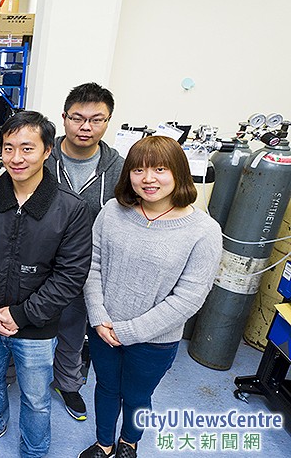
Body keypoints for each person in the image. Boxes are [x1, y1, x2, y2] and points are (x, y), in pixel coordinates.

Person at [0, 111, 93, 458]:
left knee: (35, 397)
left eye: (27, 148)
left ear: (48, 151)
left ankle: (34, 449)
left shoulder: (71, 208)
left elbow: (70, 276)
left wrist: (20, 315)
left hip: (37, 326)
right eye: (8, 148)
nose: (16, 158)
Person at [79, 136, 222, 458]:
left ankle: (129, 443)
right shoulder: (112, 212)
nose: (148, 178)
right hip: (104, 329)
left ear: (179, 173)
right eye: (138, 169)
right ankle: (104, 443)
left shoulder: (203, 230)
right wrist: (100, 318)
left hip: (155, 340)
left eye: (160, 169)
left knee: (136, 395)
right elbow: (93, 266)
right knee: (105, 388)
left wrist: (129, 331)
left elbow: (189, 297)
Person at [44, 82, 124, 421]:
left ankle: (67, 384)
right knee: (24, 324)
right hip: (38, 261)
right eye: (77, 118)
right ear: (64, 118)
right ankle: (11, 374)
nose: (86, 127)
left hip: (84, 267)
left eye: (96, 119)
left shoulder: (118, 168)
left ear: (108, 122)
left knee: (73, 331)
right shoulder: (43, 157)